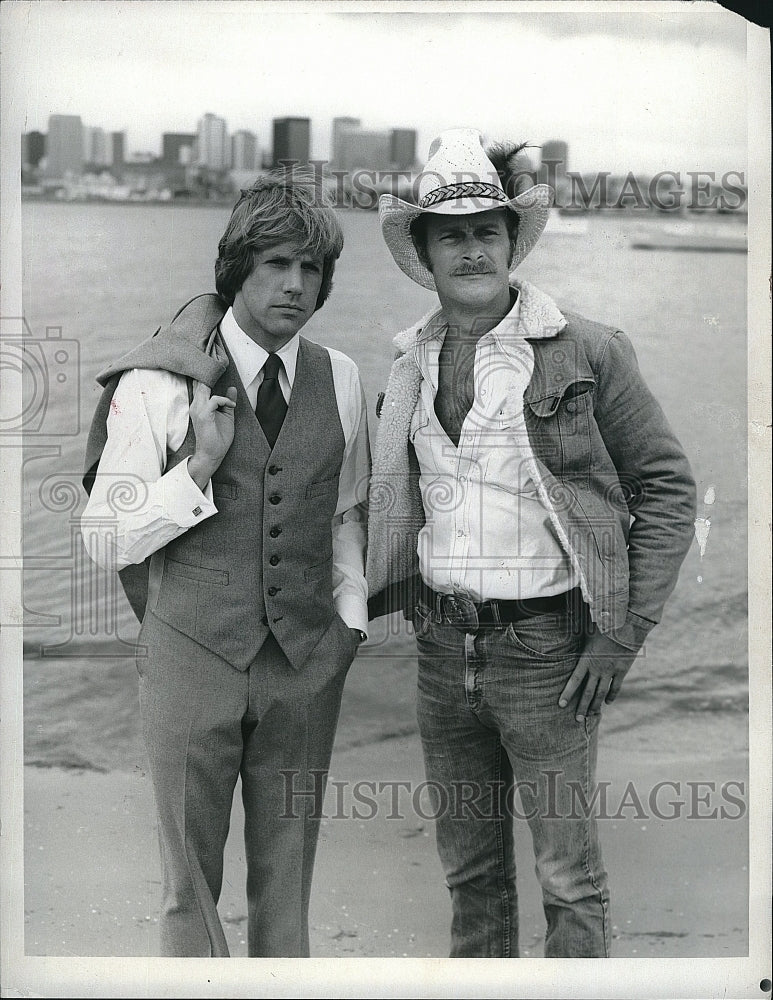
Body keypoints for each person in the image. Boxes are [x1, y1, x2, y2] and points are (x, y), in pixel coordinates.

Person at [366, 128, 696, 958]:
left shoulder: (587, 349)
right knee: (469, 875)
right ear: (424, 251)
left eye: (486, 230)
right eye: (452, 233)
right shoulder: (407, 361)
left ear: (512, 243)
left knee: (566, 878)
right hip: (441, 649)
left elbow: (665, 491)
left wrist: (622, 634)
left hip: (549, 650)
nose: (470, 247)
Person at [81, 171, 370, 957]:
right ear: (236, 268)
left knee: (288, 887)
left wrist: (348, 627)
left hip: (304, 665)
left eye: (311, 269)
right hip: (189, 657)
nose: (295, 284)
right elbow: (103, 536)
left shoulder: (340, 378)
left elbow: (345, 512)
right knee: (188, 892)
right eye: (276, 263)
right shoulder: (161, 378)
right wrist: (198, 468)